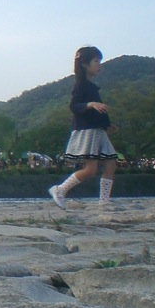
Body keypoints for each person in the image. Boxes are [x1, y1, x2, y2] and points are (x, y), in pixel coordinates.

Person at [48, 46, 118, 209]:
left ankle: (104, 201)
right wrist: (90, 104)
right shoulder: (81, 85)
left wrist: (108, 125)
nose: (99, 65)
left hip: (98, 130)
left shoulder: (91, 86)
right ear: (85, 64)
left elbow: (97, 113)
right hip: (87, 131)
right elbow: (74, 106)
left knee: (111, 164)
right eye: (96, 61)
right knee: (91, 169)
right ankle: (60, 189)